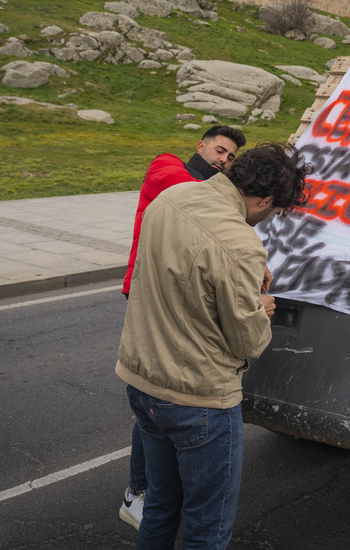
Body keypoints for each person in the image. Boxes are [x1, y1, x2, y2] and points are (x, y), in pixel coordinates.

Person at [116, 142, 309, 550]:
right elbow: (248, 342)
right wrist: (260, 307)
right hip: (197, 398)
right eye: (273, 212)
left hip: (141, 379)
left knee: (160, 506)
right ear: (266, 200)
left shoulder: (171, 197)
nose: (267, 219)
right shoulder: (239, 244)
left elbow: (179, 272)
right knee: (208, 525)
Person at [118, 125, 246, 531]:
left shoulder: (204, 186)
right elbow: (188, 192)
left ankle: (145, 489)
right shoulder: (167, 168)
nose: (223, 160)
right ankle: (137, 491)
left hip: (172, 286)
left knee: (154, 396)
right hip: (149, 286)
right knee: (156, 394)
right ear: (201, 145)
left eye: (230, 158)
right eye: (219, 151)